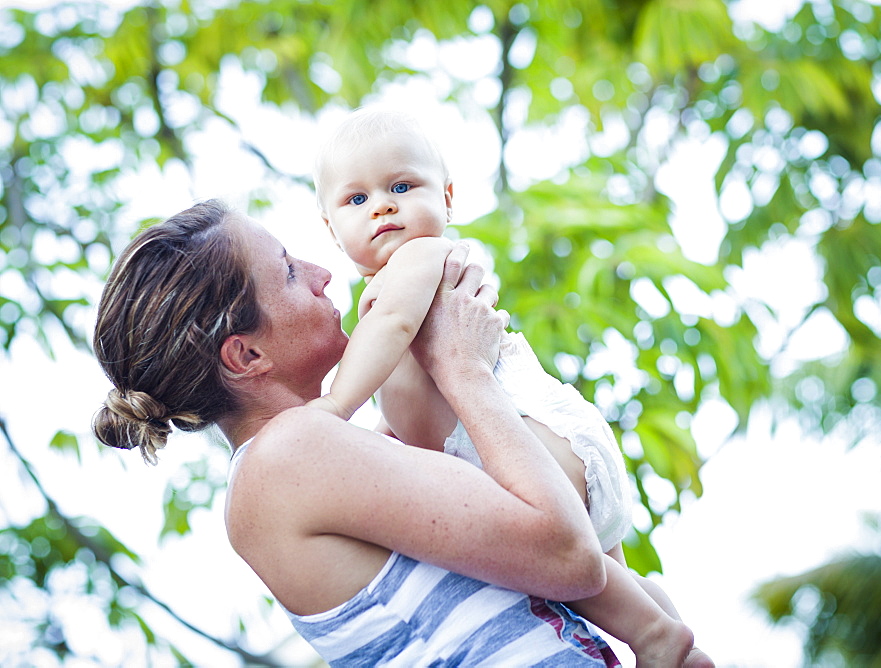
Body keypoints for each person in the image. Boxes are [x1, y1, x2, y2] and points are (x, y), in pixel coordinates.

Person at [91, 200, 622, 666]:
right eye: (290, 272)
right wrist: (466, 369)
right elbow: (571, 558)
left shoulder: (294, 468)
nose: (322, 273)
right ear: (246, 355)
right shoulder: (287, 454)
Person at [310, 107, 712, 667]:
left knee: (574, 570)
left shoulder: (419, 258)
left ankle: (656, 637)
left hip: (524, 439)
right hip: (541, 437)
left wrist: (333, 407)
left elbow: (392, 328)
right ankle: (666, 623)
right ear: (331, 229)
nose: (382, 205)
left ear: (447, 198)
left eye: (402, 186)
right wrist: (382, 434)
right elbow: (409, 401)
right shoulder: (411, 275)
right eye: (357, 200)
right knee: (607, 571)